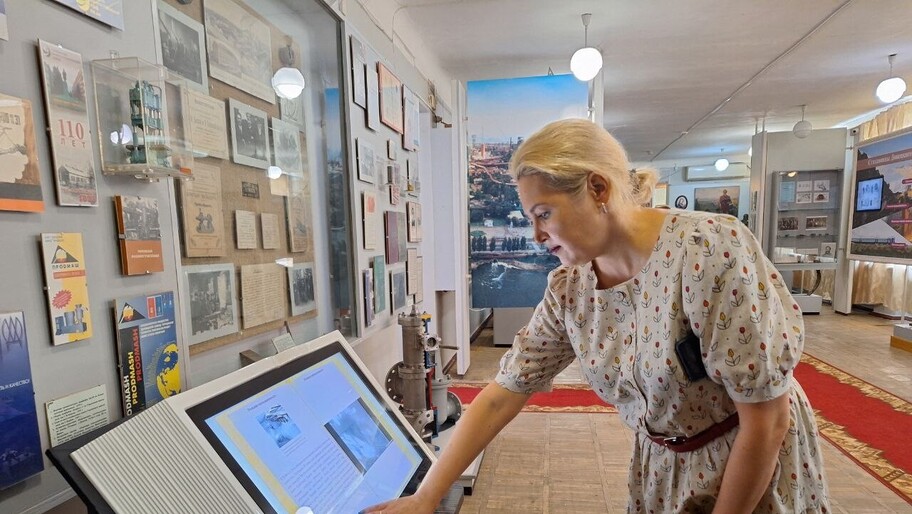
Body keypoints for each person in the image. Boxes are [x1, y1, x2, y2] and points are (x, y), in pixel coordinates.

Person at [363, 119, 830, 513]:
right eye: (529, 218)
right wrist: (426, 497)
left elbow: (767, 420)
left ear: (598, 188)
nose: (536, 235)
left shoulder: (707, 250)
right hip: (662, 466)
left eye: (544, 213)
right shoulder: (573, 288)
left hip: (749, 462)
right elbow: (503, 393)